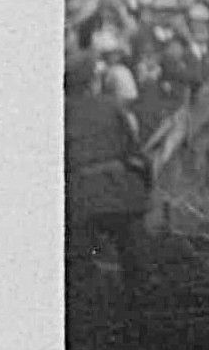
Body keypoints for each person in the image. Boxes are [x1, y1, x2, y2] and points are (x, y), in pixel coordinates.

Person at [64, 52, 155, 315]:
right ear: (92, 81)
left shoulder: (59, 112)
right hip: (119, 193)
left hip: (79, 198)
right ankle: (139, 309)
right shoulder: (111, 106)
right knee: (135, 256)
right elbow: (134, 151)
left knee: (80, 266)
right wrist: (146, 188)